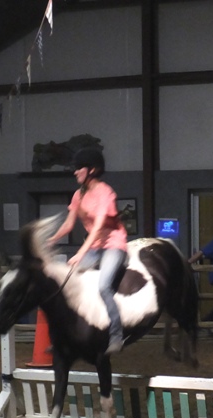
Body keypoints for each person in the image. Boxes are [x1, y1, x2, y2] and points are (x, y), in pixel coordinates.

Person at [48, 148, 128, 355]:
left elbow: (100, 227)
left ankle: (117, 335)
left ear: (92, 170)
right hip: (94, 247)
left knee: (104, 287)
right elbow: (68, 225)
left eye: (78, 168)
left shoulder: (106, 193)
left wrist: (80, 254)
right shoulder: (78, 195)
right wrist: (51, 240)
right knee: (65, 281)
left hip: (113, 245)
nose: (75, 172)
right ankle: (65, 334)